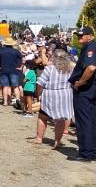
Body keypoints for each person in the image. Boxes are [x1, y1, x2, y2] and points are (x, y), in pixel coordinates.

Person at [34, 49, 75, 148]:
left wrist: (38, 94)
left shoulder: (49, 68)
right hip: (65, 95)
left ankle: (39, 138)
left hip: (50, 94)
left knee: (43, 116)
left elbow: (40, 84)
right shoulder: (70, 69)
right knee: (61, 119)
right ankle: (57, 141)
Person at [67, 26, 96, 162]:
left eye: (81, 35)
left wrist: (79, 83)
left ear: (90, 36)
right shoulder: (89, 47)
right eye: (78, 35)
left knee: (84, 121)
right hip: (90, 90)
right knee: (91, 120)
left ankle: (86, 152)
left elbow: (91, 68)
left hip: (85, 90)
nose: (79, 37)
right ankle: (92, 151)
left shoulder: (90, 47)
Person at [0, 37, 23, 106]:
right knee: (15, 86)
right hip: (14, 70)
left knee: (5, 86)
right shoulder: (16, 51)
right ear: (12, 44)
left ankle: (5, 102)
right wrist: (21, 66)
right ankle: (18, 100)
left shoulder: (1, 51)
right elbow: (22, 58)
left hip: (3, 70)